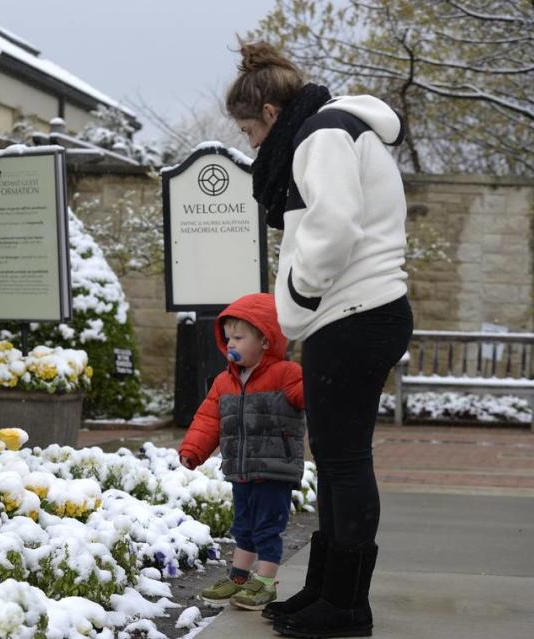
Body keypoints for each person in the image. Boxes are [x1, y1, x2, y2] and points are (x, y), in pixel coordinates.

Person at [225, 40, 415, 638]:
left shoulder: (323, 134)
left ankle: (348, 608)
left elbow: (334, 227)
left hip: (354, 312)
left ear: (273, 116)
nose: (250, 144)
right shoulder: (331, 130)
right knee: (334, 464)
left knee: (344, 461)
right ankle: (326, 591)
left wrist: (300, 297)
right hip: (357, 314)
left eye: (249, 130)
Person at [178, 292, 305, 612]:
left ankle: (264, 582)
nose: (231, 343)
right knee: (243, 525)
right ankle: (238, 577)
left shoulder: (286, 373)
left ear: (265, 340)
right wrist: (194, 449)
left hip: (274, 467)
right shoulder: (224, 381)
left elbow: (307, 395)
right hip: (240, 468)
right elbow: (209, 418)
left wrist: (317, 372)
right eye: (227, 337)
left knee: (267, 526)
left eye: (239, 337)